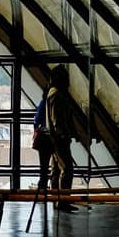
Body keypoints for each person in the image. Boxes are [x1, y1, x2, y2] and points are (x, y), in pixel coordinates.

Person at [44, 64, 75, 201]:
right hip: (59, 138)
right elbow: (57, 118)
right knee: (66, 168)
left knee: (55, 169)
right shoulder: (57, 94)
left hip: (53, 138)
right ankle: (63, 200)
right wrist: (63, 135)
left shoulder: (52, 93)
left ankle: (56, 199)